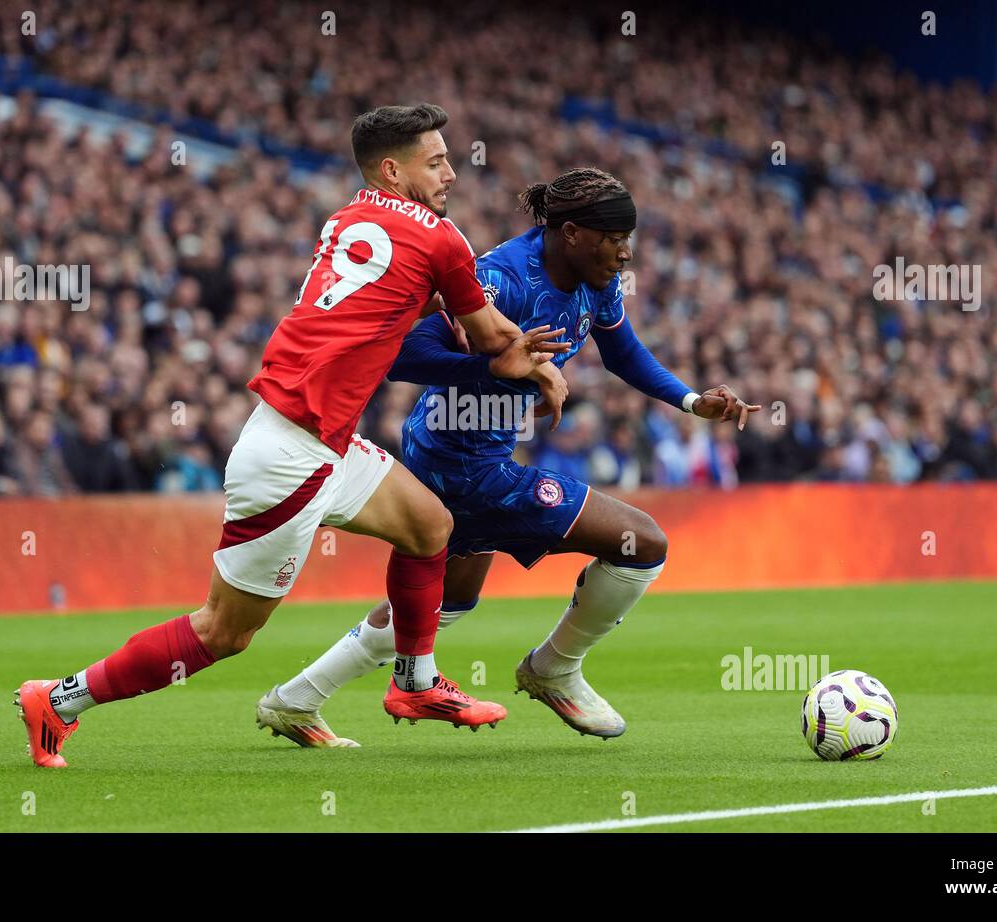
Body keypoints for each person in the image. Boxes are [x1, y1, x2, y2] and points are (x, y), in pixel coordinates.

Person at [14, 103, 571, 767]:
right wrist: (535, 366)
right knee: (222, 633)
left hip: (314, 439)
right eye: (437, 161)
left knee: (430, 526)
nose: (453, 171)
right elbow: (490, 338)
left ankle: (414, 682)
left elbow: (390, 305)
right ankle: (59, 699)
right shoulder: (440, 238)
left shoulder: (348, 219)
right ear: (393, 169)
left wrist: (470, 331)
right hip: (292, 458)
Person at [258, 168, 758, 747]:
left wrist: (693, 401)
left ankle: (295, 701)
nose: (624, 253)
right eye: (613, 239)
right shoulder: (502, 277)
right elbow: (407, 352)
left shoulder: (595, 280)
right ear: (570, 233)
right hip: (461, 458)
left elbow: (622, 354)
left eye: (629, 239)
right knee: (642, 543)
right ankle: (554, 668)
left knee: (441, 603)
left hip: (468, 448)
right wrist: (495, 366)